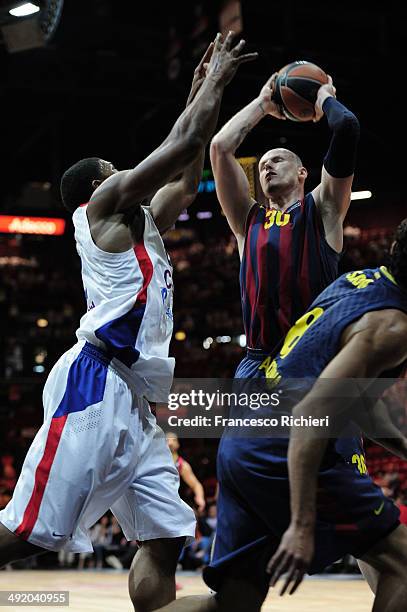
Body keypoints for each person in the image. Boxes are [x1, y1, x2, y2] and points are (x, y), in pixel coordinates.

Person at [0, 32, 257, 612]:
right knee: (24, 534)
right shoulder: (101, 208)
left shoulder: (142, 224)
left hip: (134, 400)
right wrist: (213, 81)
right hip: (93, 383)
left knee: (165, 537)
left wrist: (200, 95)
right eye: (117, 170)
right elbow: (184, 142)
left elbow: (188, 178)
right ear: (100, 184)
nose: (127, 174)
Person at [154, 221, 407, 611]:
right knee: (403, 565)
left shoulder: (360, 280)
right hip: (282, 446)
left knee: (233, 604)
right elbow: (311, 410)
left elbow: (352, 402)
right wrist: (302, 525)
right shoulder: (392, 326)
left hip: (242, 441)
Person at [210, 71, 360, 378]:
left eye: (277, 160)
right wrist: (263, 103)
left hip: (314, 361)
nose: (267, 167)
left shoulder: (321, 210)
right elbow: (220, 148)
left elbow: (347, 127)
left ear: (303, 173)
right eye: (263, 164)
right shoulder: (246, 219)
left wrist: (323, 97)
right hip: (256, 364)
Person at [166, 432, 206, 513]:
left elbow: (196, 485)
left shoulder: (182, 465)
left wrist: (200, 498)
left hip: (176, 507)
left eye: (173, 440)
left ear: (178, 444)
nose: (170, 443)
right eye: (167, 440)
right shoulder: (154, 462)